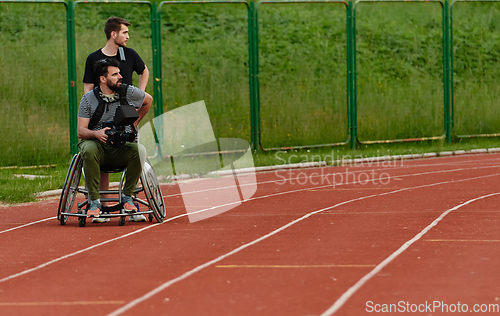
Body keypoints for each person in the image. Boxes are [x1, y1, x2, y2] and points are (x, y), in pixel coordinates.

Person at [83, 16, 150, 217]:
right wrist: (89, 107)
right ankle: (101, 206)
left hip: (126, 117)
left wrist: (139, 97)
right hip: (101, 115)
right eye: (125, 33)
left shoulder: (129, 55)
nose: (128, 37)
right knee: (102, 163)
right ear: (114, 34)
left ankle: (130, 206)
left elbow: (144, 71)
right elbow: (87, 88)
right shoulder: (94, 58)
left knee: (134, 155)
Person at [78, 58, 152, 223]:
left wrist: (135, 122)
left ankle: (127, 198)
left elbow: (148, 100)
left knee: (139, 150)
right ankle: (95, 202)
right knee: (88, 149)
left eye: (119, 73)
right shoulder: (88, 99)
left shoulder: (128, 92)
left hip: (120, 147)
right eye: (115, 74)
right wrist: (96, 134)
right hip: (97, 147)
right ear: (103, 79)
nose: (120, 76)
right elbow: (81, 131)